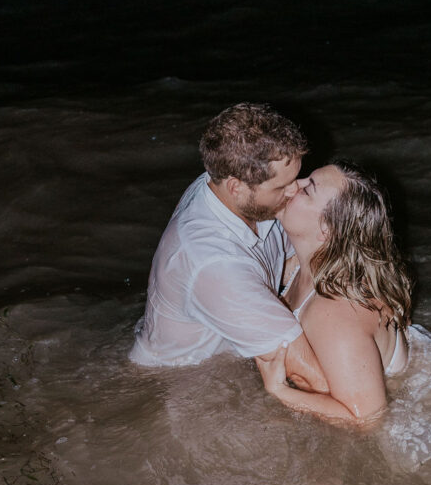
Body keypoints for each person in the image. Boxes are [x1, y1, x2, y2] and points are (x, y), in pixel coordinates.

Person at [129, 103, 329, 393]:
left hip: (219, 356)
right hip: (180, 384)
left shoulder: (222, 186)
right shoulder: (215, 263)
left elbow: (298, 260)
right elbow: (313, 379)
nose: (295, 190)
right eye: (281, 187)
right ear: (236, 187)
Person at [255, 162, 413, 425]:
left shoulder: (333, 312)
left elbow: (366, 419)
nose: (295, 184)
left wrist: (279, 391)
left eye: (308, 190)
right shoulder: (304, 265)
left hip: (402, 420)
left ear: (326, 230)